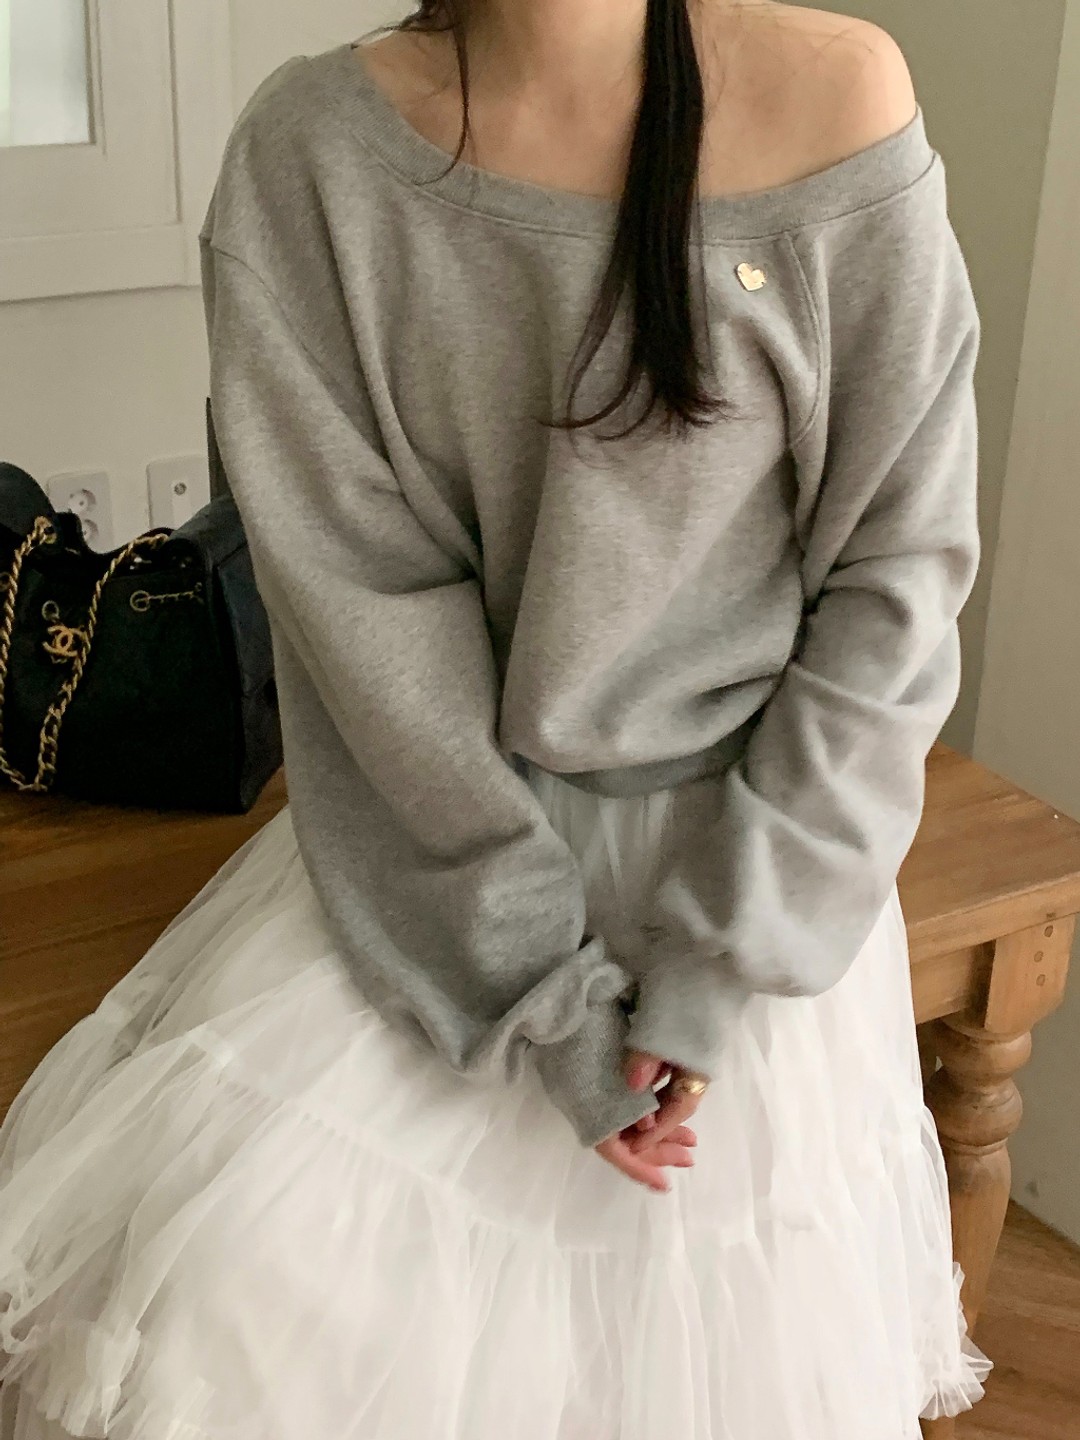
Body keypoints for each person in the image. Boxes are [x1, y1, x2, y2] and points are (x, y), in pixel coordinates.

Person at [0, 2, 994, 1436]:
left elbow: (897, 579)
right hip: (439, 868)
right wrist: (544, 993)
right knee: (232, 1329)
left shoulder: (837, 94)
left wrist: (724, 957)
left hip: (758, 884)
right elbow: (365, 634)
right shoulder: (312, 154)